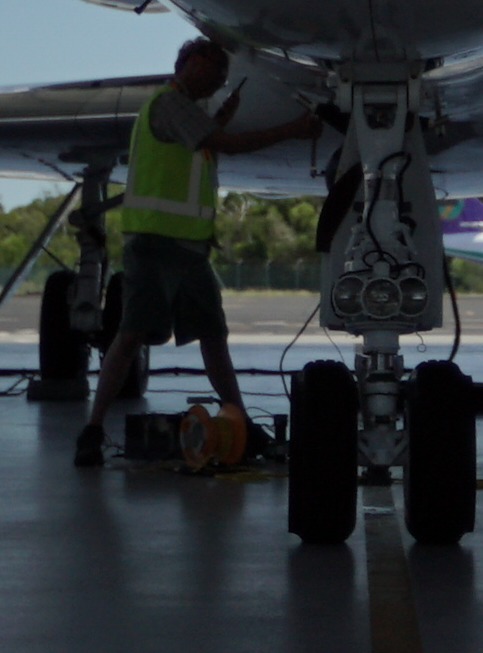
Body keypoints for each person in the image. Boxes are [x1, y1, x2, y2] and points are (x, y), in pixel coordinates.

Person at [77, 38, 319, 467]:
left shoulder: (188, 115)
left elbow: (204, 147)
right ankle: (93, 430)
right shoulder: (169, 105)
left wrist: (221, 121)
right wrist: (292, 130)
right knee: (131, 335)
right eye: (206, 71)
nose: (211, 81)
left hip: (188, 249)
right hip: (155, 245)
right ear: (185, 65)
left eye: (218, 78)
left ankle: (239, 422)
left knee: (211, 336)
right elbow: (225, 144)